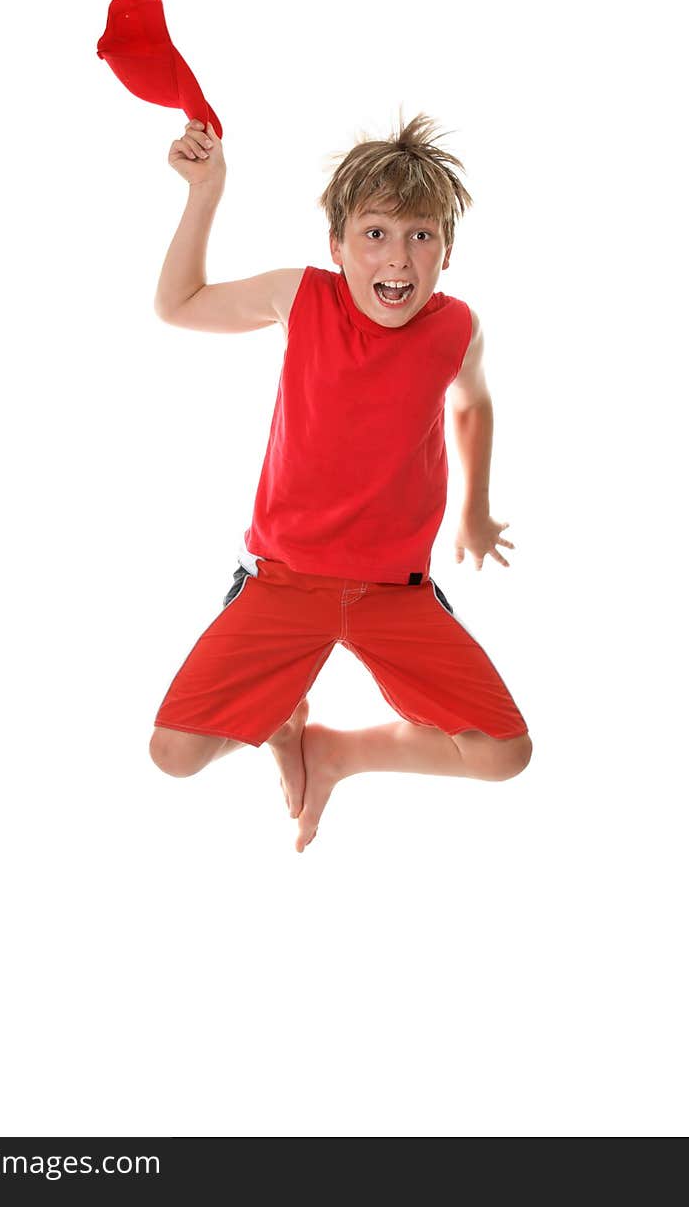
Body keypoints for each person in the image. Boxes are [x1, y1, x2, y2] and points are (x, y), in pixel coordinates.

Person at [149, 110, 532, 852]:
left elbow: (474, 403)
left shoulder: (457, 329)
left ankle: (335, 750)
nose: (398, 258)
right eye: (376, 234)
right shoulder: (301, 297)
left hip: (395, 591)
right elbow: (178, 303)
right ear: (338, 245)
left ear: (446, 252)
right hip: (285, 582)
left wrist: (475, 513)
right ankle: (279, 723)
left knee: (503, 751)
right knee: (174, 752)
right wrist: (206, 192)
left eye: (421, 235)